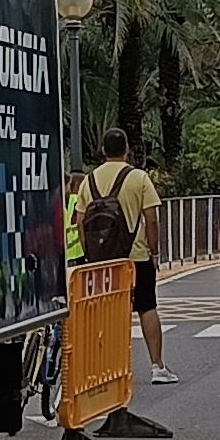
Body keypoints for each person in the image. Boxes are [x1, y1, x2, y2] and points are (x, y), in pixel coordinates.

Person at [77, 128, 172, 383]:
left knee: (106, 313)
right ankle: (157, 366)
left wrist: (91, 254)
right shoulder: (139, 178)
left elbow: (80, 222)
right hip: (136, 257)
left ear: (103, 151)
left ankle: (107, 368)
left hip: (103, 261)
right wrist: (155, 250)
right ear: (127, 149)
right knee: (147, 307)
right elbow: (151, 219)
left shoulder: (89, 181)